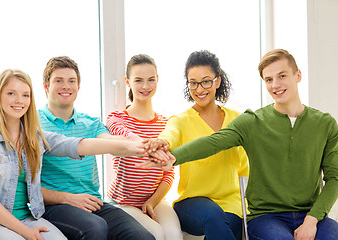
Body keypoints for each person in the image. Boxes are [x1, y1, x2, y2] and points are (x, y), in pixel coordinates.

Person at [143, 49, 338, 240]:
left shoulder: (325, 124)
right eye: (269, 80)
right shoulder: (253, 121)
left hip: (297, 213)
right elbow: (212, 141)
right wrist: (173, 156)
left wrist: (312, 220)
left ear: (298, 75)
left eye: (282, 76)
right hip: (263, 216)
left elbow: (334, 177)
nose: (275, 85)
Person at [0, 69, 147, 240]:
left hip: (27, 217)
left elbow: (78, 145)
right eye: (11, 93)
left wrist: (136, 145)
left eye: (25, 95)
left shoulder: (35, 138)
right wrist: (24, 231)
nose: (19, 100)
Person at [38, 56, 155, 240]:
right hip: (54, 205)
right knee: (95, 228)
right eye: (58, 81)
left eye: (71, 81)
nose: (66, 86)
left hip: (93, 202)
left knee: (142, 237)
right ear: (46, 86)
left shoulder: (91, 123)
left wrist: (144, 146)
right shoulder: (34, 124)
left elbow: (112, 144)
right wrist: (69, 198)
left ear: (78, 87)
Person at [147, 50, 249, 240]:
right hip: (192, 203)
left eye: (205, 81)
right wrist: (163, 142)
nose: (199, 89)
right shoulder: (181, 120)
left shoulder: (237, 120)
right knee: (213, 216)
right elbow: (171, 134)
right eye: (193, 82)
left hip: (231, 204)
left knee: (223, 224)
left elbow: (245, 169)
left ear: (217, 82)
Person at [105, 54, 183, 240]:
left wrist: (151, 201)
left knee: (173, 235)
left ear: (158, 80)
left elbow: (169, 173)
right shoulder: (117, 118)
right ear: (128, 82)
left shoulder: (166, 124)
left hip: (155, 201)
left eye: (151, 80)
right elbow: (122, 133)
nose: (145, 86)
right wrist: (145, 143)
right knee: (154, 234)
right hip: (123, 204)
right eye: (138, 80)